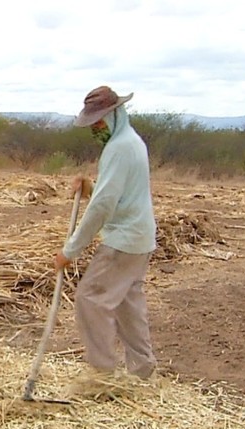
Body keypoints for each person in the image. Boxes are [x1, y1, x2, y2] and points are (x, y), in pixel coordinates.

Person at [53, 85, 158, 380]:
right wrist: (90, 189)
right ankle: (142, 369)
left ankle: (101, 373)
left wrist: (69, 251)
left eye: (98, 121)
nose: (95, 128)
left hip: (123, 241)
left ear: (114, 115)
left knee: (90, 298)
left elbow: (103, 207)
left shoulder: (119, 148)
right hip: (140, 237)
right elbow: (114, 194)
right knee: (127, 303)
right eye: (93, 123)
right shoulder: (132, 142)